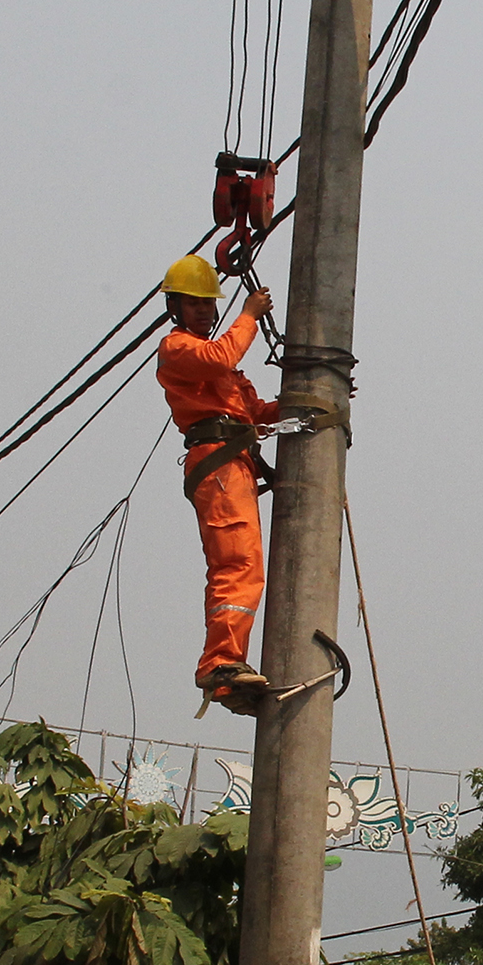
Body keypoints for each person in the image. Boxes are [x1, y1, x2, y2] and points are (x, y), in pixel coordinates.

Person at [156, 252, 281, 716]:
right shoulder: (178, 349)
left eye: (209, 304)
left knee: (245, 565)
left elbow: (258, 412)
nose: (205, 311)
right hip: (218, 462)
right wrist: (247, 316)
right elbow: (220, 354)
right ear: (176, 307)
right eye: (194, 304)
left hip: (236, 464)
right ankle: (222, 662)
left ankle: (228, 678)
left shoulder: (223, 370)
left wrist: (313, 395)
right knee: (238, 562)